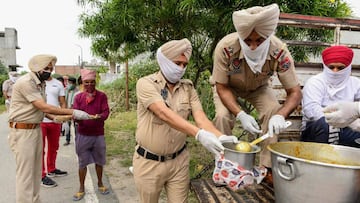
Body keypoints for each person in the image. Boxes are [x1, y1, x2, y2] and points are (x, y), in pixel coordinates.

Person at [133, 38, 236, 203]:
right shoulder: (146, 84)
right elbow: (163, 112)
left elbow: (201, 118)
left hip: (179, 162)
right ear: (164, 61)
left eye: (184, 64)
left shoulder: (188, 87)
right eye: (177, 63)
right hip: (149, 163)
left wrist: (220, 137)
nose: (181, 68)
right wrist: (198, 134)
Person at [211, 3, 302, 176]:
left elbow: (295, 92)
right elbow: (221, 86)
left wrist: (280, 116)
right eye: (248, 41)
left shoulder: (280, 52)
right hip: (228, 88)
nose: (253, 47)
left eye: (259, 40)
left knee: (272, 110)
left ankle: (266, 169)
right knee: (222, 116)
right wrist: (241, 114)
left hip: (259, 87)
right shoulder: (225, 48)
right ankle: (224, 164)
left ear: (267, 37)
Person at [8, 54, 91, 203]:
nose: (50, 71)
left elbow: (40, 110)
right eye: (47, 68)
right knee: (26, 174)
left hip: (34, 129)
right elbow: (42, 106)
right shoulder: (26, 82)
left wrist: (55, 118)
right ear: (36, 68)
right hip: (22, 132)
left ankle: (34, 200)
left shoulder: (41, 83)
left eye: (51, 69)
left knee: (35, 172)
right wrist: (73, 112)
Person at [301, 46, 360, 147]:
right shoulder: (315, 82)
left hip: (347, 130)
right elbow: (312, 111)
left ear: (348, 67)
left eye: (341, 68)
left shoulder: (356, 83)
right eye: (331, 67)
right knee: (324, 124)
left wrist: (353, 118)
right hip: (317, 129)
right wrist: (342, 118)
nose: (335, 71)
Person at [72, 69, 110, 201]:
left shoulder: (102, 96)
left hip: (98, 134)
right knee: (82, 163)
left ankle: (100, 183)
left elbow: (106, 112)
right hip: (83, 134)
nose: (89, 85)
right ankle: (81, 187)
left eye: (92, 82)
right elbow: (74, 114)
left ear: (95, 82)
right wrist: (81, 118)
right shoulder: (78, 97)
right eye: (86, 82)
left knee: (99, 161)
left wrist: (99, 116)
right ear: (82, 83)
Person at [41, 73, 68, 188]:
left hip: (55, 121)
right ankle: (41, 175)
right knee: (40, 150)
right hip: (40, 121)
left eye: (50, 67)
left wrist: (65, 118)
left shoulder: (58, 84)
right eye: (45, 68)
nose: (47, 70)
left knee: (54, 147)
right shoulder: (37, 84)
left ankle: (51, 169)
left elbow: (62, 102)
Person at [63, 77, 79, 146]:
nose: (69, 84)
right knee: (67, 126)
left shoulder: (77, 91)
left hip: (74, 110)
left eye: (71, 83)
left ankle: (77, 140)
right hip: (67, 110)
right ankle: (67, 139)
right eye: (68, 83)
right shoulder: (65, 90)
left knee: (75, 126)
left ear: (74, 83)